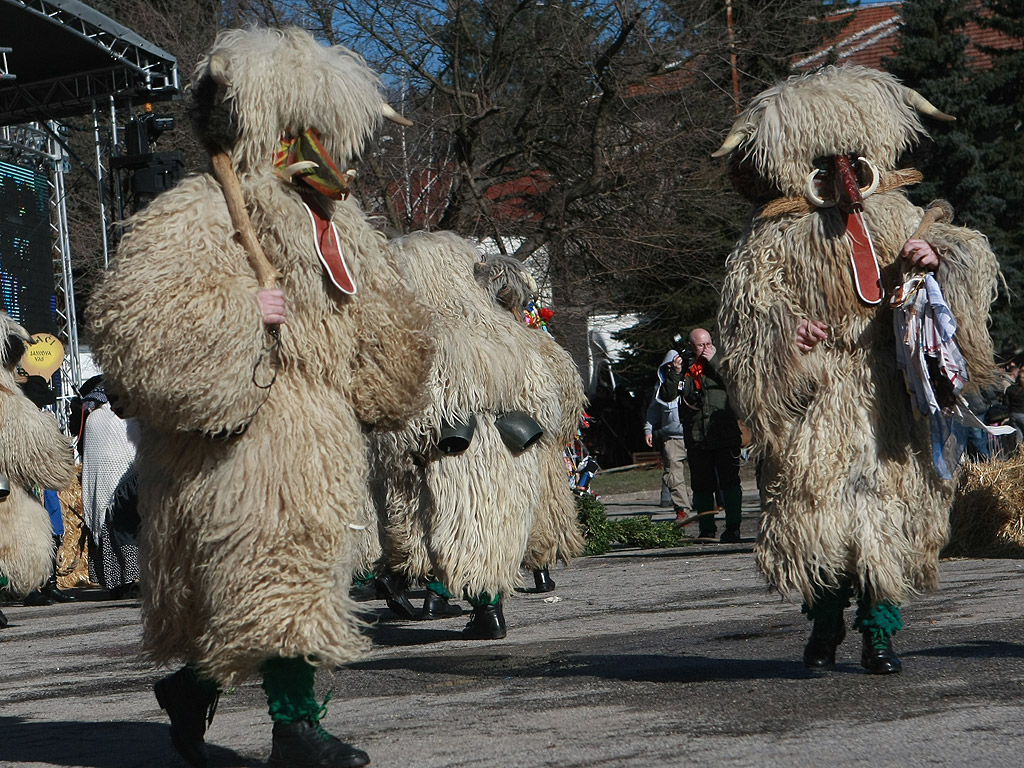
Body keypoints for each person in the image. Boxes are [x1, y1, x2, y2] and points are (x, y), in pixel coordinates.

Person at [88, 28, 431, 768]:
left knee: (291, 581)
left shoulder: (334, 218)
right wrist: (246, 311)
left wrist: (387, 371)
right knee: (277, 573)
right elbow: (141, 326)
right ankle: (295, 730)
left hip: (321, 439)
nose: (316, 143)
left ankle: (197, 689)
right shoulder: (200, 214)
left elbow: (376, 318)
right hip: (240, 443)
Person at [714, 66, 1003, 675]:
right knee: (816, 513)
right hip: (818, 400)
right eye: (824, 157)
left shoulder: (897, 213)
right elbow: (749, 312)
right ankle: (823, 622)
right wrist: (785, 335)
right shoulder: (772, 236)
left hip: (890, 397)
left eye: (853, 154)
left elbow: (963, 252)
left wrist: (938, 257)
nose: (842, 172)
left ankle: (879, 631)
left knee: (887, 514)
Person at [659, 330, 743, 542]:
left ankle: (733, 527)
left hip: (724, 433)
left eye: (708, 344)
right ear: (691, 346)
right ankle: (707, 528)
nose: (705, 349)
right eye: (700, 346)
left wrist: (713, 360)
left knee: (730, 482)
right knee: (701, 485)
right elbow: (666, 395)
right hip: (697, 436)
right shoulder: (684, 367)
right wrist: (676, 372)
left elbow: (736, 382)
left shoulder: (724, 361)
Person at [79, 382, 142, 600]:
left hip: (107, 485)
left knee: (111, 532)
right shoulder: (121, 416)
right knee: (125, 530)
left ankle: (116, 582)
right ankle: (130, 580)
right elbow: (134, 447)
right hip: (124, 484)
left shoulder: (94, 418)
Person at [643, 349, 691, 522]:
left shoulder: (689, 381)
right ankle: (682, 509)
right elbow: (653, 411)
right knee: (673, 474)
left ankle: (710, 504)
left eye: (676, 365)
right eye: (669, 366)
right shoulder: (660, 387)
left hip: (693, 434)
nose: (673, 368)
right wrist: (648, 429)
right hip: (671, 437)